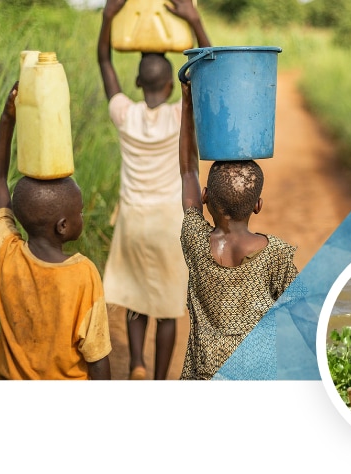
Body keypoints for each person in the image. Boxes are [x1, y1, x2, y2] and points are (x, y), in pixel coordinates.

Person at [97, 0, 211, 380]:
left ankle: (137, 366)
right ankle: (160, 380)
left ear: (137, 84)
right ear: (169, 85)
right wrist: (193, 19)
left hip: (131, 220)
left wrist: (108, 17)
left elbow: (105, 64)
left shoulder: (124, 115)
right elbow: (211, 73)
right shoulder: (180, 115)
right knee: (166, 306)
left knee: (135, 297)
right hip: (168, 223)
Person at [0, 83, 112, 380]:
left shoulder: (6, 251)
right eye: (78, 211)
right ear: (63, 226)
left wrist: (7, 117)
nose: (81, 215)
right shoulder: (84, 275)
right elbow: (97, 358)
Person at [178, 81, 300, 380]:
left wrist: (187, 105)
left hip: (203, 375)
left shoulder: (195, 239)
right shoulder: (276, 255)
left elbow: (187, 171)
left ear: (206, 196)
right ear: (258, 205)